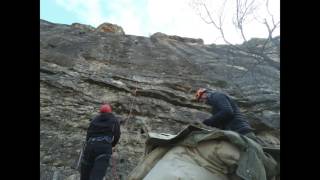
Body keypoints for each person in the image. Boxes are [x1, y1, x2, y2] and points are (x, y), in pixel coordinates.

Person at [195, 88, 266, 146]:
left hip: (242, 131)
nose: (201, 101)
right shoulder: (215, 107)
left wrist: (209, 121)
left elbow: (227, 112)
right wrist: (208, 124)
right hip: (235, 133)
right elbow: (221, 120)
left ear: (204, 94)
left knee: (256, 155)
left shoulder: (217, 96)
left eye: (200, 99)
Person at [80, 103, 121, 180]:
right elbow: (117, 135)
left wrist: (89, 144)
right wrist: (112, 145)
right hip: (104, 148)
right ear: (110, 112)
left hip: (90, 146)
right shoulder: (114, 120)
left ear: (100, 112)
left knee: (85, 174)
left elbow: (88, 134)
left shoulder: (95, 120)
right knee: (97, 176)